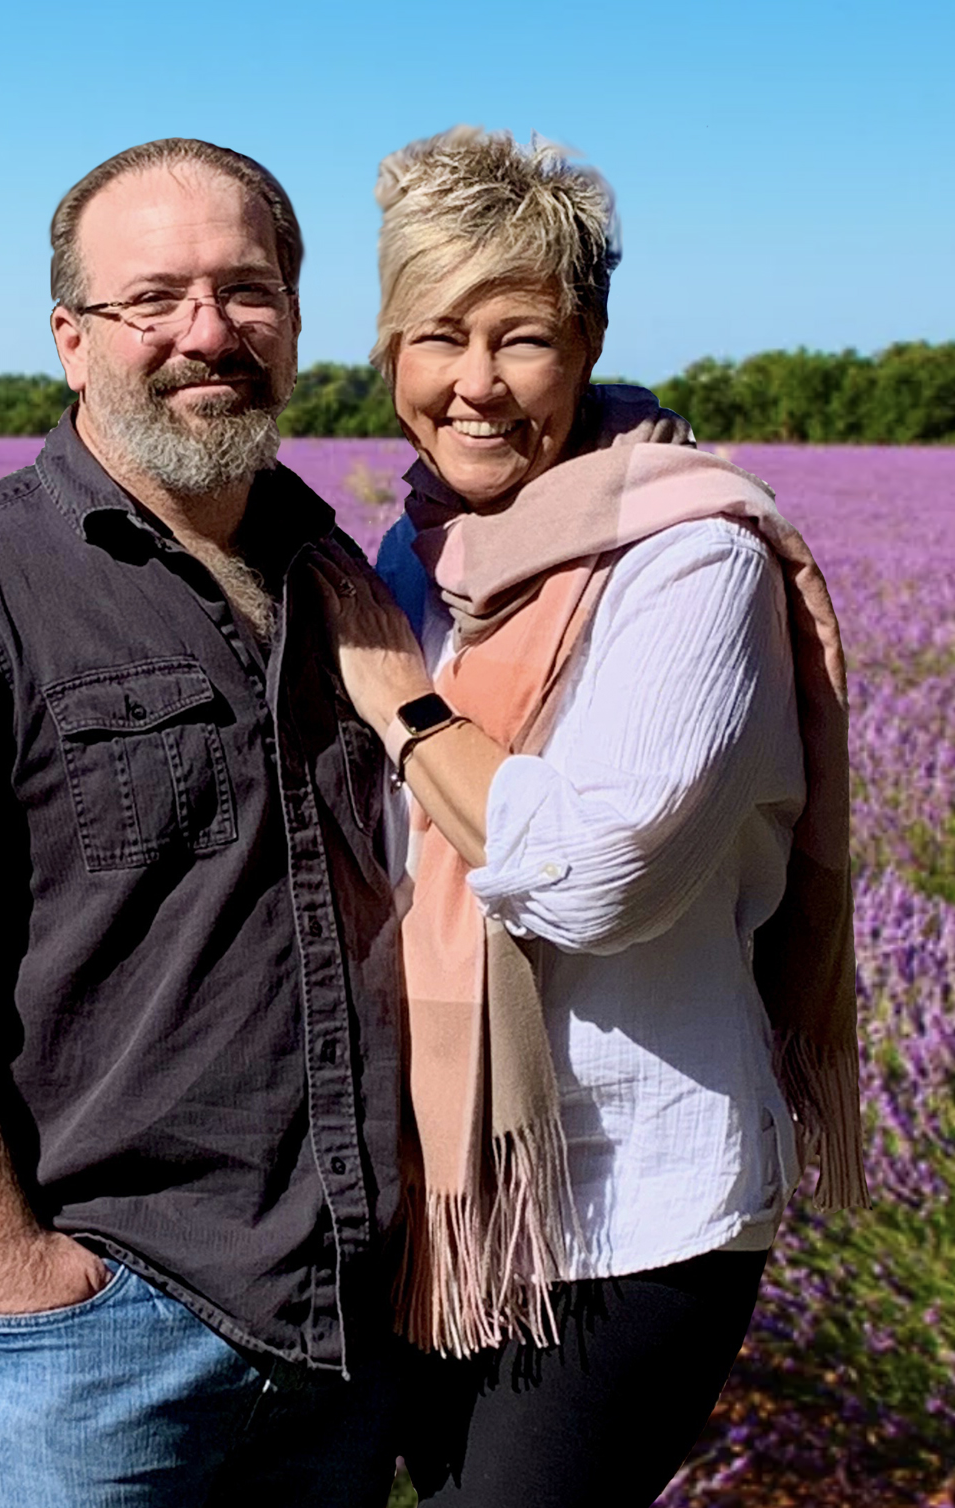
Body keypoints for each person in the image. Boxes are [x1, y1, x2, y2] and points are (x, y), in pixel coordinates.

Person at [0, 138, 406, 1508]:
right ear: (73, 341)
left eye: (248, 291)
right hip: (100, 1340)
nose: (208, 332)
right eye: (155, 299)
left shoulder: (332, 573)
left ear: (297, 323)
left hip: (340, 1326)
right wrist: (10, 1265)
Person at [314, 126, 868, 1506]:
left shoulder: (694, 555)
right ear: (388, 350)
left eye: (524, 338)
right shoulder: (418, 548)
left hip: (634, 1200)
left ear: (592, 338)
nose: (477, 385)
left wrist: (406, 710)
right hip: (442, 1193)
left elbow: (595, 874)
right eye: (438, 336)